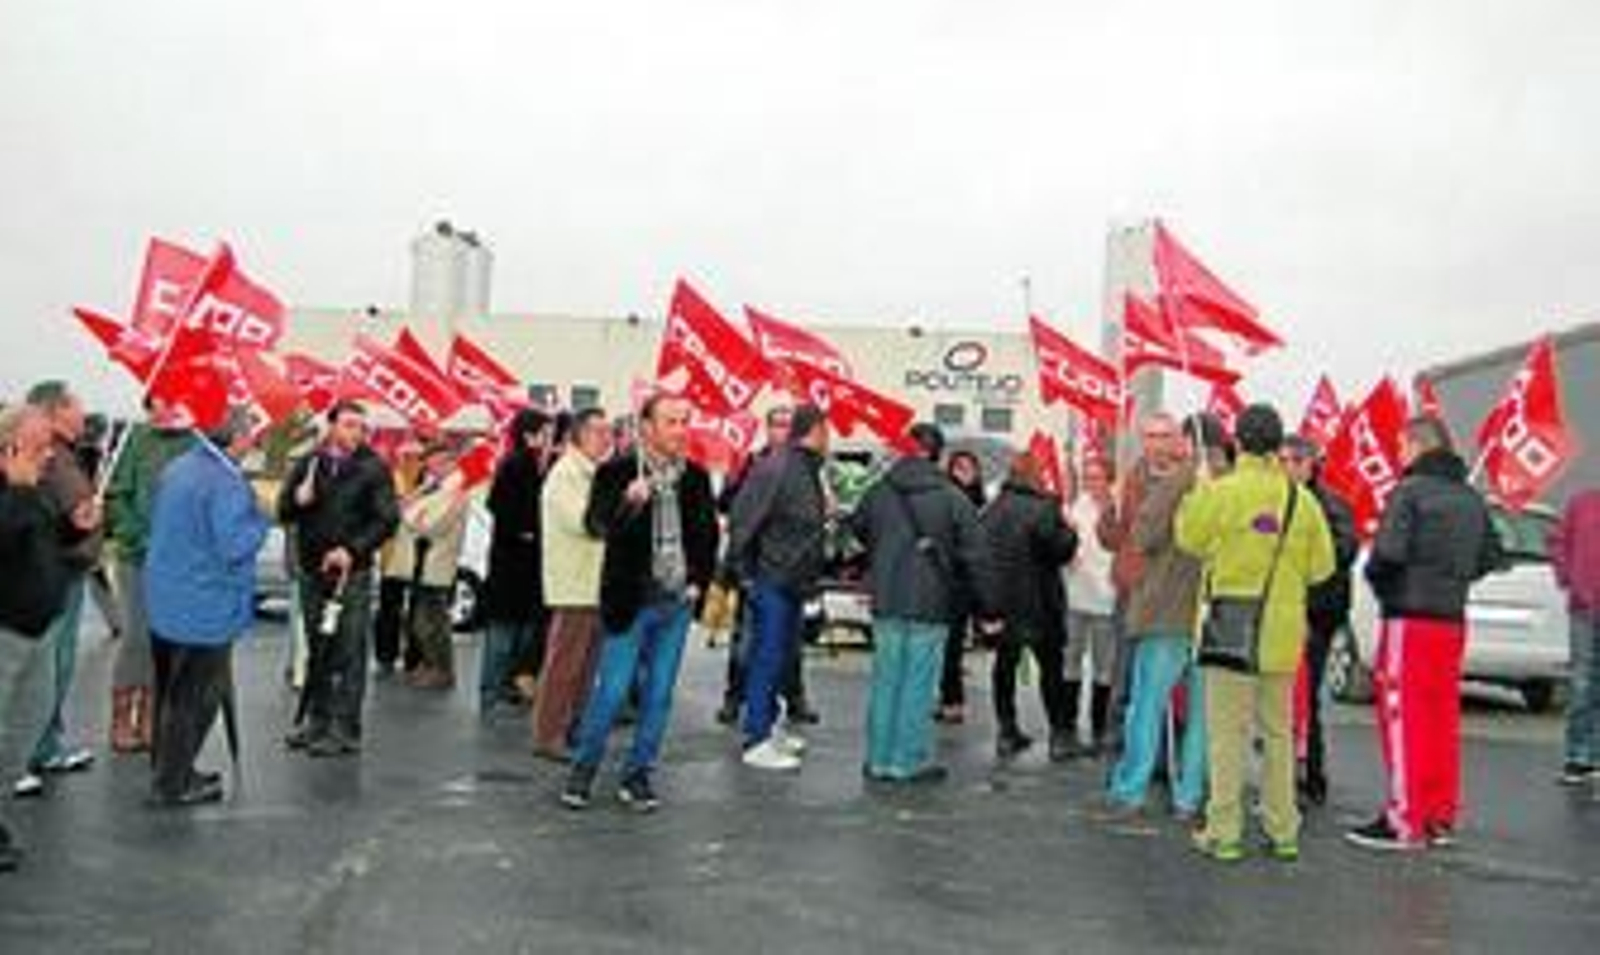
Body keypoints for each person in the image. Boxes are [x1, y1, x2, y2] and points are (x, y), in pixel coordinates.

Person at [1176, 405, 1336, 862]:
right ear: (1277, 446)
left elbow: (1188, 539)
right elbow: (1322, 568)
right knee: (1279, 735)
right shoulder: (1300, 500)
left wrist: (1197, 495)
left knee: (1227, 735)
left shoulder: (1221, 492)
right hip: (1282, 636)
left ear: (1239, 443)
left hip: (1230, 630)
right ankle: (1283, 830)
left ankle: (1224, 832)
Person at [1347, 415, 1500, 851]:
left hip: (1409, 617)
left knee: (1402, 716)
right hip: (1451, 618)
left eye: (1401, 446)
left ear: (1417, 445)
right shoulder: (1470, 497)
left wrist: (1382, 585)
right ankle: (1438, 815)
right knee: (1440, 718)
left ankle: (1403, 818)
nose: (1399, 455)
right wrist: (1453, 578)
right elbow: (1491, 555)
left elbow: (1387, 552)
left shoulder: (1409, 491)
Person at [561, 394, 719, 811]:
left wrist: (698, 582)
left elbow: (707, 536)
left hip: (676, 602)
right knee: (613, 691)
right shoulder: (616, 472)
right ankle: (584, 766)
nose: (680, 430)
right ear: (646, 427)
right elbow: (596, 525)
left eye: (684, 421)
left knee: (659, 693)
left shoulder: (696, 478)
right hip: (630, 601)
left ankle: (638, 773)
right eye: (671, 421)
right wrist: (628, 503)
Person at [851, 423, 996, 785]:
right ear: (938, 454)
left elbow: (858, 528)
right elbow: (977, 555)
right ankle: (907, 761)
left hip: (886, 597)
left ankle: (878, 759)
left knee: (886, 680)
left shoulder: (879, 491)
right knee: (918, 683)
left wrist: (886, 552)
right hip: (932, 600)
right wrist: (989, 608)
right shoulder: (952, 497)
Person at [144, 411, 269, 806]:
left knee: (171, 694)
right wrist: (260, 519)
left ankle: (171, 771)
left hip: (168, 597)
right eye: (250, 434)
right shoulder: (226, 481)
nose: (253, 440)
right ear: (235, 437)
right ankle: (174, 784)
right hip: (205, 605)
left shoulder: (179, 466)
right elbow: (234, 545)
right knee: (196, 699)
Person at [1105, 412, 1217, 820]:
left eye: (1168, 436)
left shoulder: (1182, 480)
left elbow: (1144, 533)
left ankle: (1131, 789)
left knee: (1147, 705)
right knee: (1202, 714)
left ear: (1185, 441)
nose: (1160, 444)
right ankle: (1189, 796)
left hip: (1167, 609)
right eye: (1151, 436)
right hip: (1213, 615)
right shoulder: (1231, 483)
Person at [278, 401, 400, 758]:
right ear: (331, 426)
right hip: (312, 568)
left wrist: (352, 549)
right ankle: (317, 722)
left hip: (351, 573)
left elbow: (387, 520)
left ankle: (345, 729)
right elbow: (284, 510)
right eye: (348, 424)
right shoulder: (309, 462)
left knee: (349, 650)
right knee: (319, 648)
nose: (356, 432)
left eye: (361, 426)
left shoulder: (373, 467)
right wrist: (297, 499)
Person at [0, 406, 86, 870]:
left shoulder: (33, 487)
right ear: (10, 446)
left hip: (37, 629)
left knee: (27, 725)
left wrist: (75, 528)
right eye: (39, 445)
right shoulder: (16, 489)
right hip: (6, 631)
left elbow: (41, 541)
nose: (49, 454)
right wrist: (17, 490)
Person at [726, 404, 832, 771]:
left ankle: (769, 726)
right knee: (766, 657)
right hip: (772, 577)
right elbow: (744, 520)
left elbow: (798, 521)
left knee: (781, 657)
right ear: (815, 431)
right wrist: (745, 573)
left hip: (792, 579)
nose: (830, 439)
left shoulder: (804, 468)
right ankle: (756, 738)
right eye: (827, 431)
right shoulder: (778, 467)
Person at [15, 381, 103, 798]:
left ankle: (44, 745)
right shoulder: (38, 461)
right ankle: (24, 755)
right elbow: (34, 523)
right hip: (46, 582)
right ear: (56, 411)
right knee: (38, 671)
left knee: (53, 667)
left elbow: (57, 523)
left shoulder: (65, 455)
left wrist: (78, 524)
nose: (83, 413)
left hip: (60, 573)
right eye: (77, 405)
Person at [103, 398, 196, 754]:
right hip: (137, 557)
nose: (165, 407)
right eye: (159, 400)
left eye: (173, 399)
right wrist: (139, 536)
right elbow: (117, 495)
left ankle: (150, 717)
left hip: (178, 562)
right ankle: (121, 717)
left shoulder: (196, 442)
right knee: (137, 638)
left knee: (166, 639)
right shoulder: (136, 438)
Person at [983, 451, 1080, 761]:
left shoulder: (993, 508)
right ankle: (1059, 736)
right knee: (1051, 670)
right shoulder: (1045, 507)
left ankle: (1007, 732)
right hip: (1040, 603)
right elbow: (1060, 550)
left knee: (1004, 668)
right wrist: (1070, 531)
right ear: (1035, 475)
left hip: (1002, 604)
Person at [1281, 435, 1358, 805]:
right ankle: (1286, 770)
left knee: (1306, 695)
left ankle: (1311, 774)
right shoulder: (1275, 499)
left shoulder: (1330, 503)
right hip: (1284, 608)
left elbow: (1345, 550)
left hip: (1316, 612)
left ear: (1313, 464)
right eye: (1284, 460)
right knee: (1281, 695)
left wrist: (1308, 551)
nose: (1290, 467)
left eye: (1298, 460)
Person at [531, 408, 612, 759]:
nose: (606, 438)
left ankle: (571, 729)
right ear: (578, 435)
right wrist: (624, 505)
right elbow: (585, 523)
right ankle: (548, 734)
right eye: (598, 431)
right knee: (565, 665)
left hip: (592, 583)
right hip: (575, 584)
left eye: (608, 432)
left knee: (585, 667)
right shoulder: (566, 474)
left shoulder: (591, 472)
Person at [481, 409, 557, 714]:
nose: (551, 439)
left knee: (523, 633)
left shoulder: (542, 465)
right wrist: (528, 531)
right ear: (529, 436)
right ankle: (492, 694)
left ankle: (509, 690)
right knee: (502, 634)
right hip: (510, 565)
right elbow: (500, 507)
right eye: (546, 434)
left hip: (530, 566)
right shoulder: (514, 465)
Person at [391, 441, 472, 690]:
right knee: (423, 619)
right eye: (428, 465)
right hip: (424, 561)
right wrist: (414, 505)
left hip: (435, 562)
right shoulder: (435, 486)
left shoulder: (456, 488)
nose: (430, 469)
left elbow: (432, 525)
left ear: (449, 462)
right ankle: (431, 666)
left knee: (431, 622)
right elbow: (410, 509)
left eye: (434, 464)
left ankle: (441, 670)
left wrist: (409, 515)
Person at [1063, 455, 1119, 757]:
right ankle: (1068, 725)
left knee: (1104, 667)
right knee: (1070, 661)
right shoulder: (1075, 507)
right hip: (1075, 595)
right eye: (1087, 477)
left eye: (1096, 477)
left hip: (1107, 600)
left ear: (1110, 480)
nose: (1091, 483)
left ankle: (1099, 728)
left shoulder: (1118, 508)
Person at [1552, 484, 1600, 785]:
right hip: (1584, 607)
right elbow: (1559, 541)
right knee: (1582, 682)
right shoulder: (1581, 503)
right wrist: (1568, 577)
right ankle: (1579, 757)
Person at [938, 449, 987, 724]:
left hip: (967, 582)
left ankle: (952, 701)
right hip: (950, 580)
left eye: (969, 467)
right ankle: (950, 699)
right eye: (959, 467)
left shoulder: (981, 501)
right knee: (948, 645)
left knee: (952, 645)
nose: (965, 472)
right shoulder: (948, 498)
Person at [373, 436, 424, 677]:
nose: (412, 462)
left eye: (417, 457)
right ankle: (387, 655)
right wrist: (400, 504)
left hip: (416, 552)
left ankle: (412, 658)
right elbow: (382, 511)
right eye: (407, 457)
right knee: (390, 608)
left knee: (413, 608)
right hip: (393, 553)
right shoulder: (390, 479)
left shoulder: (430, 483)